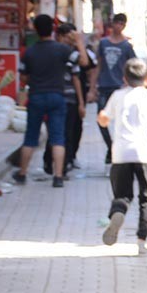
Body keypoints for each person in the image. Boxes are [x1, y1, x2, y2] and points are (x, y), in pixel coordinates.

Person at [97, 58, 147, 248]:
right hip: (145, 154)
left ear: (124, 78)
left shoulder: (117, 95)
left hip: (121, 154)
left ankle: (118, 213)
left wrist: (102, 118)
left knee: (122, 195)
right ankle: (141, 242)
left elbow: (104, 120)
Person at [13, 14, 78, 188]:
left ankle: (22, 173)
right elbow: (78, 65)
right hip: (58, 96)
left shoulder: (30, 51)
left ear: (36, 30)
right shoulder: (62, 50)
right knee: (58, 137)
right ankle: (58, 176)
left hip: (36, 96)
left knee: (31, 137)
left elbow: (24, 77)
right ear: (53, 29)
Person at [44, 19, 92, 178]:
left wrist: (81, 102)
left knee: (64, 133)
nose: (70, 40)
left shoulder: (63, 52)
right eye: (68, 37)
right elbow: (82, 65)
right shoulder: (64, 52)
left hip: (63, 97)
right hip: (58, 97)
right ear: (59, 36)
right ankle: (58, 167)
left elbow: (78, 76)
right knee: (60, 134)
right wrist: (79, 43)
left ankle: (59, 164)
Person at [94, 14, 138, 163]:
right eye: (116, 23)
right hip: (104, 87)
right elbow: (98, 65)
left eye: (122, 23)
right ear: (112, 24)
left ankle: (115, 151)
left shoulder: (127, 46)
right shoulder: (103, 43)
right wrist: (92, 87)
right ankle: (110, 146)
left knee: (121, 121)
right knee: (101, 120)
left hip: (120, 88)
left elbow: (133, 66)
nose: (118, 26)